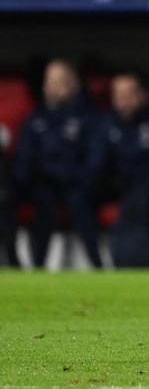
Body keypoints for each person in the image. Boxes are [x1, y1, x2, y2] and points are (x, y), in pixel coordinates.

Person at [87, 71, 149, 267]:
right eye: (117, 96)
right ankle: (95, 264)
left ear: (143, 95)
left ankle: (134, 263)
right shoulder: (107, 123)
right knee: (79, 194)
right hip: (117, 185)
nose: (122, 102)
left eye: (127, 96)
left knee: (143, 198)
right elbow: (96, 164)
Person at [14, 60, 101, 268]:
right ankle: (36, 267)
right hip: (44, 186)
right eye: (50, 81)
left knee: (81, 202)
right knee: (40, 203)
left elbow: (95, 160)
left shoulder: (90, 118)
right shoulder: (35, 120)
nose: (54, 87)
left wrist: (76, 176)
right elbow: (25, 159)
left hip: (78, 184)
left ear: (74, 84)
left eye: (60, 81)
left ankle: (97, 265)